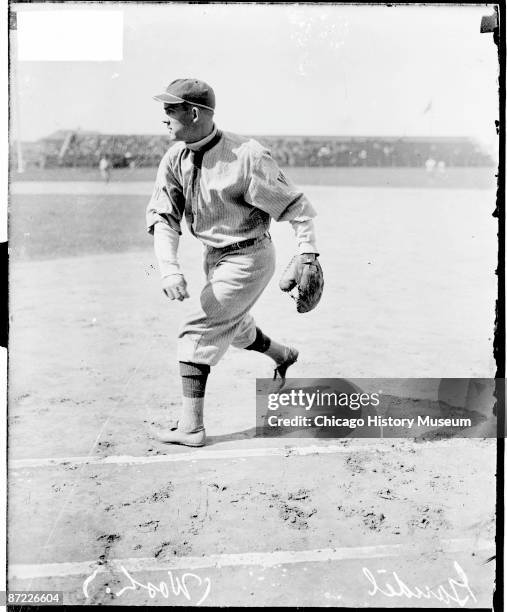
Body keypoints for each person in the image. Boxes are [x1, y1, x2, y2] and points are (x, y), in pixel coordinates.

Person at [146, 78, 320, 447]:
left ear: (193, 113)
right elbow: (164, 218)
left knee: (199, 327)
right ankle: (283, 355)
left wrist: (308, 252)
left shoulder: (246, 154)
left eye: (170, 110)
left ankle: (191, 428)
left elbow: (296, 206)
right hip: (215, 258)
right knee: (234, 327)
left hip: (250, 256)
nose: (164, 118)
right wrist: (169, 269)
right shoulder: (174, 159)